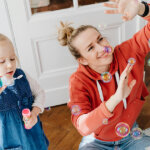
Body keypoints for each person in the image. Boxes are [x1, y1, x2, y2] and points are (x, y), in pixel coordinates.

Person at [57, 0, 150, 149]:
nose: (102, 48)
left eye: (100, 39)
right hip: (96, 141)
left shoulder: (127, 52)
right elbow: (83, 126)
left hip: (131, 134)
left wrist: (141, 8)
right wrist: (116, 98)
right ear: (82, 60)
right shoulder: (78, 81)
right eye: (91, 48)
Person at [0, 34, 49, 150]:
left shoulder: (21, 75)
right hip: (11, 139)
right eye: (1, 61)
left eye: (12, 59)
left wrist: (35, 112)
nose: (9, 65)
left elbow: (40, 93)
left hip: (33, 133)